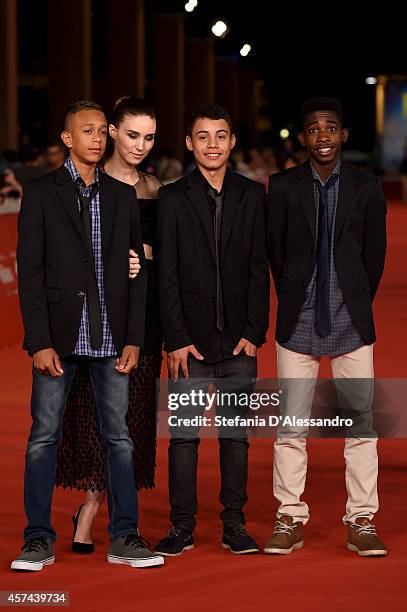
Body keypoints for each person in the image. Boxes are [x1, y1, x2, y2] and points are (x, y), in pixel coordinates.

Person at [12, 100, 163, 571]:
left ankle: (125, 537)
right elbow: (30, 273)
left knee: (119, 439)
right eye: (88, 130)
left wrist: (135, 338)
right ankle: (37, 540)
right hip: (57, 339)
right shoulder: (39, 195)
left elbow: (135, 276)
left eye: (102, 130)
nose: (97, 138)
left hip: (111, 340)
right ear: (67, 138)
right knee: (43, 438)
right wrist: (38, 341)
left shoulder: (122, 196)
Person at [265, 97, 387, 557]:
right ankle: (289, 516)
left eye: (331, 128)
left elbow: (373, 258)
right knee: (290, 427)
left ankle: (362, 520)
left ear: (344, 135)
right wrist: (297, 293)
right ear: (302, 138)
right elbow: (276, 254)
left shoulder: (367, 187)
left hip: (350, 323)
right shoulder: (280, 187)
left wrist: (351, 299)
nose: (322, 137)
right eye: (313, 129)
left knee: (360, 427)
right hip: (298, 321)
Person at [155, 104, 269, 556]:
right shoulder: (173, 197)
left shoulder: (252, 194)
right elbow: (166, 275)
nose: (212, 145)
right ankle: (181, 525)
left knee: (235, 438)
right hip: (189, 343)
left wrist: (254, 329)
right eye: (202, 137)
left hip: (238, 339)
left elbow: (260, 267)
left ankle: (234, 525)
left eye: (220, 136)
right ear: (189, 143)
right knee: (183, 439)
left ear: (232, 141)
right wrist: (175, 336)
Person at [55, 97, 163, 551]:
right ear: (113, 132)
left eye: (149, 137)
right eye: (132, 135)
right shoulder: (89, 185)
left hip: (144, 314)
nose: (141, 146)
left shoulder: (157, 188)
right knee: (94, 417)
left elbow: (161, 254)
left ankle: (111, 515)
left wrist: (143, 259)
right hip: (93, 317)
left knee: (131, 419)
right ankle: (93, 507)